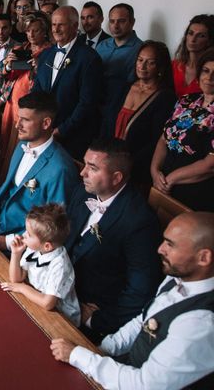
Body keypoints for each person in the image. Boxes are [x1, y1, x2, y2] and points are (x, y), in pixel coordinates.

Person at [52, 212, 214, 390]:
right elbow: (143, 321)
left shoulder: (201, 323)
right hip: (123, 368)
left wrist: (78, 355)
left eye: (170, 244)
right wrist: (101, 349)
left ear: (203, 258)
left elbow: (144, 385)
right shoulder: (178, 277)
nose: (160, 249)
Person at [66, 138, 162, 342]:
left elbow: (140, 290)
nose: (82, 172)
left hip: (90, 312)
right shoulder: (82, 191)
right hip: (59, 289)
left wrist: (98, 320)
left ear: (116, 177)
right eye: (85, 164)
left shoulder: (140, 222)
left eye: (92, 168)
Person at [0, 92, 78, 252]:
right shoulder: (21, 146)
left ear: (46, 123)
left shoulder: (61, 169)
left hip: (19, 243)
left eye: (25, 120)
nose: (17, 125)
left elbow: (54, 226)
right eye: (19, 118)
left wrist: (10, 242)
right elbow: (5, 188)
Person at [32, 6, 103, 160]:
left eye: (61, 25)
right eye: (53, 24)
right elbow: (37, 91)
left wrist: (61, 130)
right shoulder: (45, 54)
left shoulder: (89, 58)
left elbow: (87, 103)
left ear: (75, 26)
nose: (56, 29)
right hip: (44, 131)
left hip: (73, 137)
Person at [102, 41, 176, 187]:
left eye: (150, 63)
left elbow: (155, 141)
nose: (142, 66)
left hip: (135, 168)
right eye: (140, 60)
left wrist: (126, 162)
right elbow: (106, 122)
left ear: (160, 67)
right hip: (108, 159)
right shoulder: (124, 87)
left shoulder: (165, 98)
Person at [150, 48, 214, 211]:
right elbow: (164, 138)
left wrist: (171, 179)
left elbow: (210, 164)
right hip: (162, 181)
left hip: (196, 190)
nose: (210, 77)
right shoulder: (186, 100)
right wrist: (155, 170)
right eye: (206, 71)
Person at [1, 204, 80, 326]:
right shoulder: (35, 248)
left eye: (29, 234)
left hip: (60, 317)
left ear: (47, 246)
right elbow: (16, 279)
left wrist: (22, 288)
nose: (24, 235)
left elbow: (47, 303)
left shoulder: (60, 265)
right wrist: (16, 253)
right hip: (34, 297)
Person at [0, 11, 52, 159]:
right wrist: (8, 65)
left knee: (25, 141)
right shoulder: (20, 48)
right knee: (8, 143)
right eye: (28, 31)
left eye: (36, 30)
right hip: (12, 102)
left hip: (33, 101)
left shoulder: (51, 52)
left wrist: (39, 67)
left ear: (45, 32)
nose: (31, 34)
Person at [95, 3, 144, 118]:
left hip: (118, 106)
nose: (115, 26)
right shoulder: (102, 46)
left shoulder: (140, 50)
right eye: (112, 21)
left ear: (132, 22)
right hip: (95, 102)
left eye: (121, 21)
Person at [171, 14, 214, 97]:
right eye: (190, 33)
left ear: (209, 41)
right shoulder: (173, 66)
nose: (193, 39)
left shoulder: (210, 72)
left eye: (201, 36)